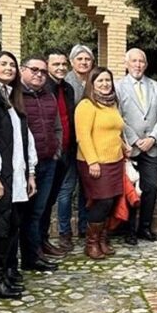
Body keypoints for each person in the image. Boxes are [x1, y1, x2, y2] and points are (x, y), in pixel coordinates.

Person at [0, 52, 38, 300]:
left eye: (12, 64)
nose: (9, 68)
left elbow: (26, 137)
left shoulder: (12, 99)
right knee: (0, 229)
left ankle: (8, 273)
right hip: (0, 175)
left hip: (17, 173)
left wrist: (31, 172)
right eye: (4, 63)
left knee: (12, 225)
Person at [75, 67, 130, 259]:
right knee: (102, 201)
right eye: (100, 81)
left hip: (114, 161)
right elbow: (83, 136)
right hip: (96, 162)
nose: (105, 84)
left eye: (108, 80)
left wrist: (123, 146)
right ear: (92, 83)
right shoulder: (86, 105)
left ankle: (102, 239)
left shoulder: (110, 104)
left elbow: (114, 131)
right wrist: (93, 162)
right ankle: (91, 244)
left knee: (111, 201)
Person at [115, 48, 157, 244]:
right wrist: (135, 140)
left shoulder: (156, 87)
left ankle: (145, 227)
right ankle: (129, 231)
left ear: (146, 64)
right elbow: (117, 116)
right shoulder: (118, 87)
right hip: (129, 146)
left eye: (141, 61)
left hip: (152, 147)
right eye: (134, 61)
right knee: (130, 190)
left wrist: (153, 137)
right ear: (126, 63)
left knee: (151, 187)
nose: (138, 65)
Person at [19, 56, 63, 265]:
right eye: (34, 69)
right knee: (22, 213)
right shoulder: (16, 95)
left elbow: (57, 127)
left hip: (48, 160)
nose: (39, 74)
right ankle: (25, 257)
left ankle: (34, 256)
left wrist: (57, 150)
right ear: (22, 70)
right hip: (24, 165)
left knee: (38, 211)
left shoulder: (49, 96)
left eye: (43, 71)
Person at [43, 50, 78, 252]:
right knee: (45, 200)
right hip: (49, 152)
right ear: (48, 65)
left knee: (64, 192)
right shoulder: (44, 88)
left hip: (67, 149)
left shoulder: (68, 89)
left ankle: (64, 235)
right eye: (56, 64)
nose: (61, 68)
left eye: (64, 64)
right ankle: (41, 241)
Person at [65, 44, 94, 237]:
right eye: (80, 59)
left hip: (90, 144)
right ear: (72, 61)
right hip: (70, 143)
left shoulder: (94, 82)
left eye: (87, 59)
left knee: (86, 189)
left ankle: (85, 227)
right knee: (67, 188)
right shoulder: (66, 83)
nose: (84, 63)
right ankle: (64, 231)